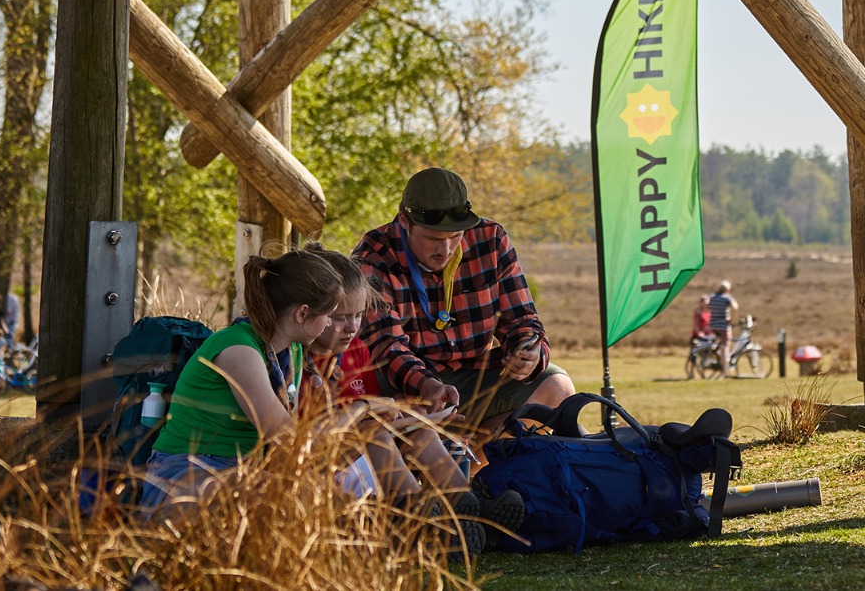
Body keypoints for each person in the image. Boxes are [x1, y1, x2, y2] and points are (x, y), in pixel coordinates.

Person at [302, 246, 523, 554]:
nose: (352, 327)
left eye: (358, 316)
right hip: (326, 466)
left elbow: (372, 405)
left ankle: (464, 503)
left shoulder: (356, 351)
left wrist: (406, 411)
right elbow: (318, 432)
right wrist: (381, 417)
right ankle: (416, 519)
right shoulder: (300, 360)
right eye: (340, 318)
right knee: (377, 434)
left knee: (421, 431)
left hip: (362, 455)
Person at [354, 166, 574, 433]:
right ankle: (454, 457)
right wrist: (426, 385)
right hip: (406, 384)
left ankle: (483, 460)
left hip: (476, 374)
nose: (445, 250)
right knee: (406, 410)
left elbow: (523, 320)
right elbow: (386, 346)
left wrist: (530, 353)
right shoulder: (373, 255)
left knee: (558, 387)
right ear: (404, 221)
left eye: (455, 237)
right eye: (433, 239)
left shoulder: (491, 239)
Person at [138, 247, 342, 516]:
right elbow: (287, 437)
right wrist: (361, 411)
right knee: (288, 494)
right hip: (185, 474)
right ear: (302, 313)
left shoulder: (290, 351)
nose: (329, 324)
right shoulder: (238, 349)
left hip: (240, 471)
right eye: (329, 315)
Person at [708, 281, 738, 378]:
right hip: (723, 326)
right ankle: (725, 372)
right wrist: (731, 319)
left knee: (718, 346)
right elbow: (735, 307)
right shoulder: (727, 297)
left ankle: (718, 361)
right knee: (725, 348)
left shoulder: (712, 297)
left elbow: (708, 307)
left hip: (713, 325)